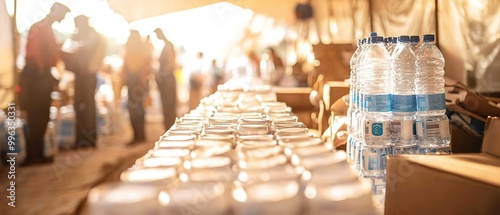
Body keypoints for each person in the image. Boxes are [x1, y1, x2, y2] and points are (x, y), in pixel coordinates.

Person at [18, 2, 70, 166]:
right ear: (56, 13)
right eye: (62, 15)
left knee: (42, 116)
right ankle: (32, 156)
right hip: (36, 77)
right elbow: (34, 55)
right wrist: (43, 74)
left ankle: (37, 154)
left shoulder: (46, 29)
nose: (63, 19)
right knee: (36, 116)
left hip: (42, 76)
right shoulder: (40, 28)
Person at [63, 15, 106, 148]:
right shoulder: (81, 36)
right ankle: (81, 139)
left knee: (87, 106)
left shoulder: (92, 36)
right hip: (81, 75)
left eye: (77, 23)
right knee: (79, 106)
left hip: (87, 76)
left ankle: (88, 139)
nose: (76, 26)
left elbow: (83, 51)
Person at [123, 30, 153, 145]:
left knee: (136, 110)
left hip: (137, 84)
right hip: (136, 83)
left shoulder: (137, 50)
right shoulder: (140, 49)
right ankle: (139, 135)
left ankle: (139, 135)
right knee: (136, 109)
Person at [154, 28, 177, 131]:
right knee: (166, 107)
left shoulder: (168, 46)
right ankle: (168, 128)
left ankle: (171, 129)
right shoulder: (165, 46)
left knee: (169, 107)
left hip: (167, 81)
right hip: (165, 81)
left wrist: (161, 75)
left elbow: (169, 65)